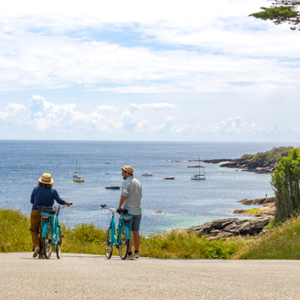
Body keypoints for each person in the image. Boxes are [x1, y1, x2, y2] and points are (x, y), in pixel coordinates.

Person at [30, 173, 72, 259]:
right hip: (47, 212)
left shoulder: (36, 189)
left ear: (40, 181)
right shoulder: (53, 191)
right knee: (43, 232)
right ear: (50, 182)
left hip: (35, 211)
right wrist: (67, 203)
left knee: (34, 230)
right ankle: (42, 252)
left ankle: (36, 246)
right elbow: (59, 201)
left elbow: (31, 201)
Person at [118, 165, 142, 260]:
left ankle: (129, 253)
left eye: (123, 172)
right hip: (138, 210)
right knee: (136, 232)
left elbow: (124, 195)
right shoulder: (138, 182)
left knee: (127, 231)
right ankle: (136, 252)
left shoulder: (125, 183)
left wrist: (119, 207)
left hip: (128, 210)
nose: (121, 174)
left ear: (127, 173)